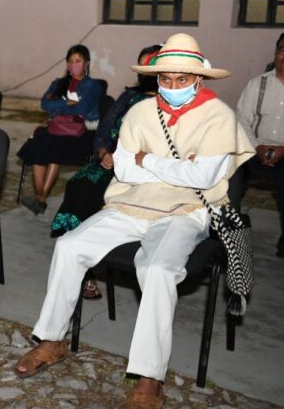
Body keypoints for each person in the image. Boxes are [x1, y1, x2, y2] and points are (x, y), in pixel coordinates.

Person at [15, 33, 254, 409]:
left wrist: (149, 162)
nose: (173, 87)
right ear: (156, 78)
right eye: (166, 79)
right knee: (69, 245)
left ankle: (149, 378)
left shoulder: (218, 117)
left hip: (186, 210)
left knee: (158, 269)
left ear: (199, 80)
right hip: (131, 203)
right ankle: (52, 340)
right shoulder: (142, 111)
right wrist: (171, 166)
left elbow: (204, 179)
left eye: (182, 79)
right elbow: (124, 170)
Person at [49, 45, 161, 299]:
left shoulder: (166, 104)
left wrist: (128, 161)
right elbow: (104, 128)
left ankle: (94, 259)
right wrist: (102, 152)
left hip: (141, 170)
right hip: (109, 161)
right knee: (80, 183)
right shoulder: (128, 96)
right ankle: (82, 264)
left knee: (101, 194)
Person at [17, 44, 102, 215]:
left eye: (78, 61)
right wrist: (65, 103)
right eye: (70, 61)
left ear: (87, 63)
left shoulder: (93, 86)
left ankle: (40, 197)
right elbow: (44, 104)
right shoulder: (59, 83)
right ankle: (40, 196)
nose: (73, 65)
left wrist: (59, 106)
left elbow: (82, 109)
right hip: (57, 128)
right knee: (37, 146)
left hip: (80, 132)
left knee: (53, 148)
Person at [232, 32, 284, 257]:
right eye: (282, 49)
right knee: (229, 167)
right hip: (256, 148)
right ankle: (230, 230)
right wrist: (256, 146)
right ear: (275, 53)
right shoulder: (258, 84)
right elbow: (241, 119)